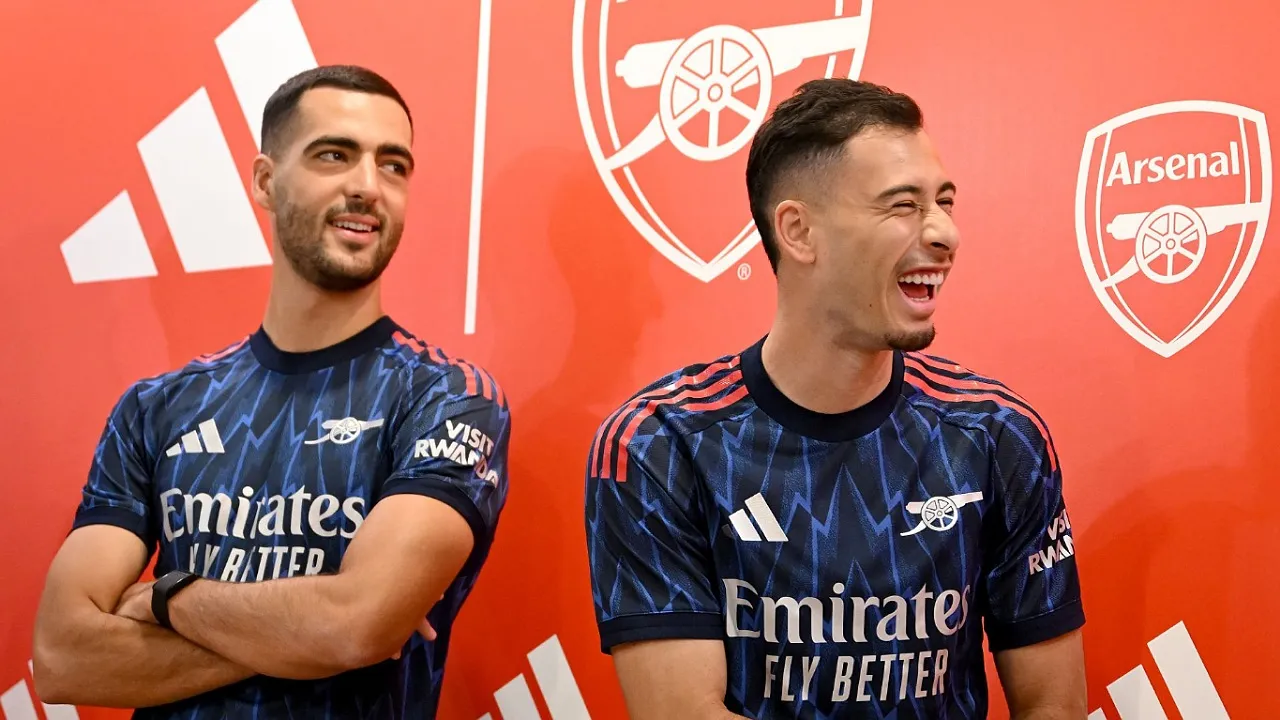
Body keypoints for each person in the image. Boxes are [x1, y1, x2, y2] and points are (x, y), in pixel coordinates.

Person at [583, 78, 1086, 719]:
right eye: (902, 206)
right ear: (798, 231)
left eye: (945, 203)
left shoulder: (996, 434)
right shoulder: (658, 443)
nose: (944, 234)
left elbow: (1055, 706)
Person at [31, 64, 511, 719]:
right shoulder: (157, 408)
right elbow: (63, 658)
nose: (367, 186)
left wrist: (168, 598)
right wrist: (321, 631)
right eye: (334, 155)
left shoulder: (449, 399)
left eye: (393, 165)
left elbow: (356, 624)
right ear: (265, 181)